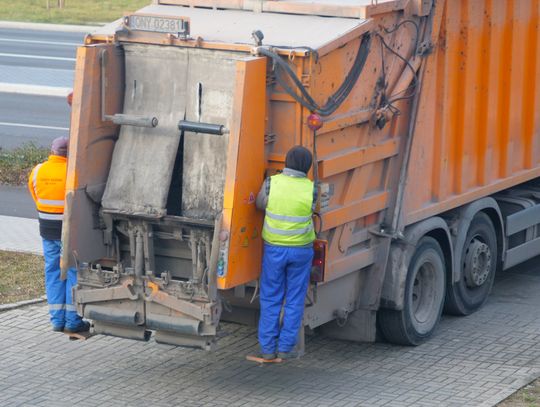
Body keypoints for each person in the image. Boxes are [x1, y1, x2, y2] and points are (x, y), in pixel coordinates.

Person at [255, 145, 316, 361]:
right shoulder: (312, 188)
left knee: (271, 297)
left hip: (274, 250)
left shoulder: (272, 182)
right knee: (294, 299)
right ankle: (285, 348)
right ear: (307, 167)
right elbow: (317, 210)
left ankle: (267, 349)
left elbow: (260, 204)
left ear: (286, 162)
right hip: (301, 252)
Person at [28, 137, 89, 334]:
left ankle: (56, 319)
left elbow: (35, 195)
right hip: (68, 231)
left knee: (52, 271)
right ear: (69, 154)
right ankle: (72, 320)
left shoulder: (38, 171)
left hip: (47, 229)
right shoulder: (72, 173)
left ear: (52, 152)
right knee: (72, 271)